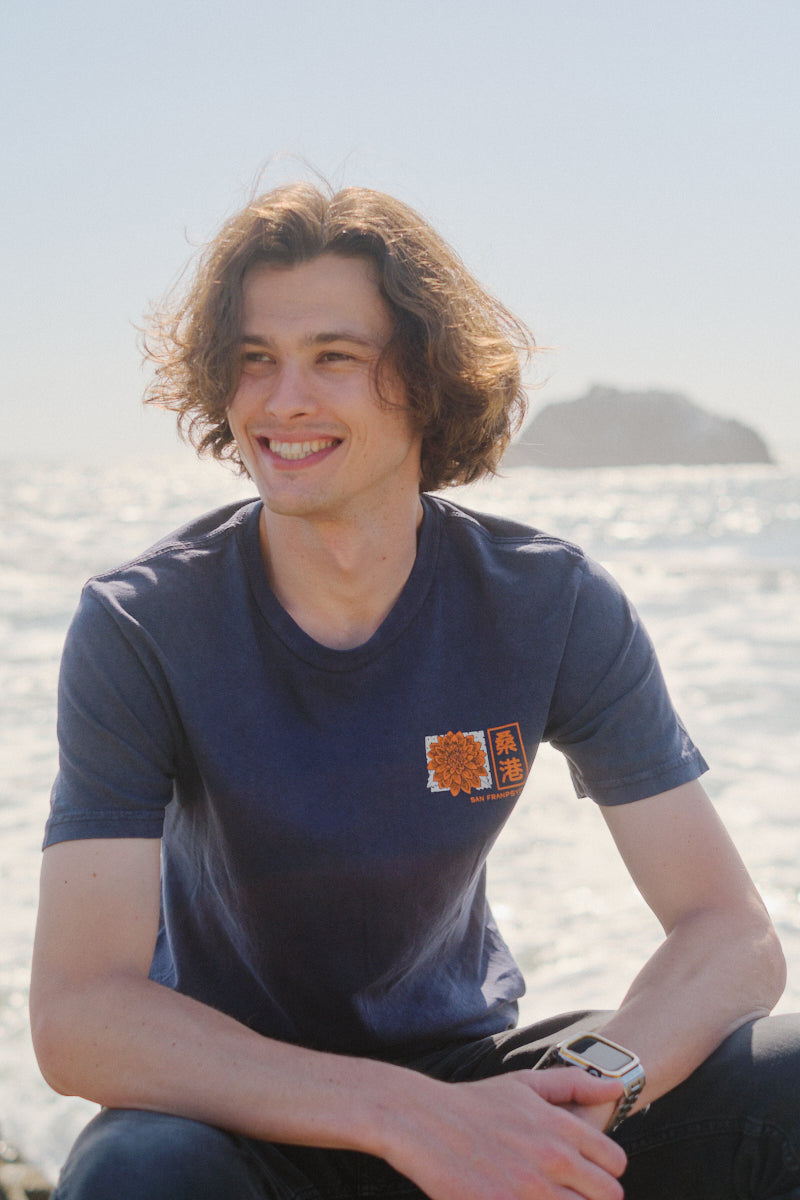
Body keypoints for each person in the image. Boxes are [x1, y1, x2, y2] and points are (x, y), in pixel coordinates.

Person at [30, 182, 800, 1200]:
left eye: (332, 358)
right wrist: (404, 1120)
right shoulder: (142, 624)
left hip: (473, 1071)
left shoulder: (548, 602)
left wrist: (594, 1089)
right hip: (236, 1113)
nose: (281, 398)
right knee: (136, 1176)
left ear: (426, 383)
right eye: (253, 359)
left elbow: (728, 931)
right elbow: (80, 1014)